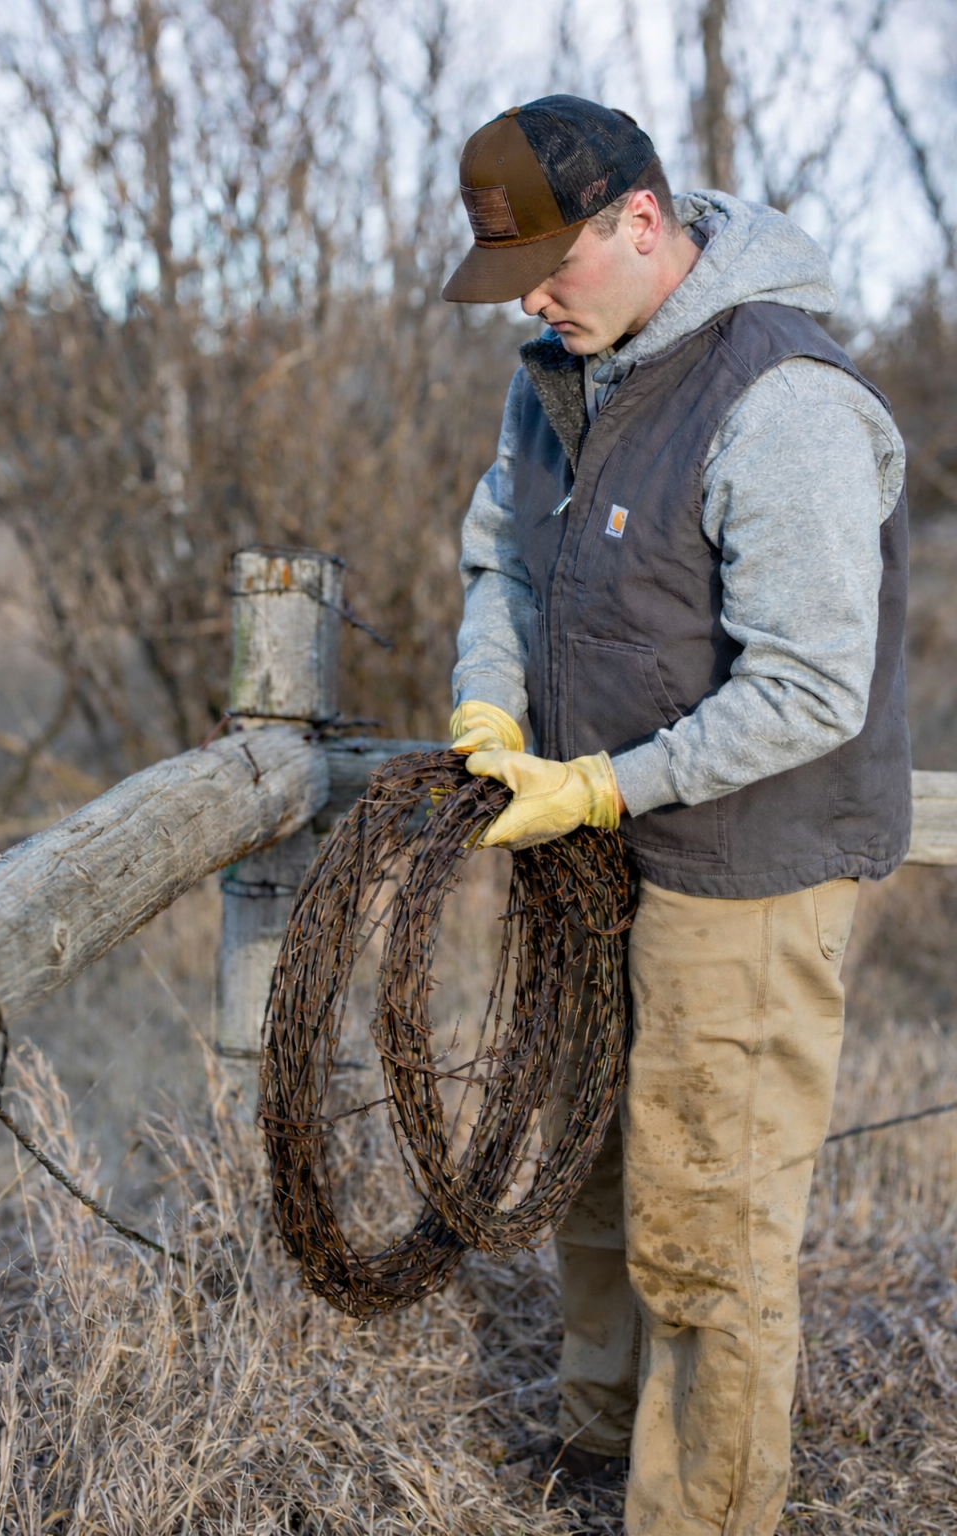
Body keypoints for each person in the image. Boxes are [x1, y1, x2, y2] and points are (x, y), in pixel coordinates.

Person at [442, 95, 911, 1536]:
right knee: (591, 1158)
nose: (527, 300)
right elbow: (499, 571)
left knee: (709, 1225)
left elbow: (814, 689)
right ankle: (597, 1447)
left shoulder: (786, 400)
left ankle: (695, 1515)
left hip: (741, 876)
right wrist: (491, 705)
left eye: (548, 268)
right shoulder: (558, 373)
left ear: (639, 221)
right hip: (598, 859)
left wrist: (604, 783)